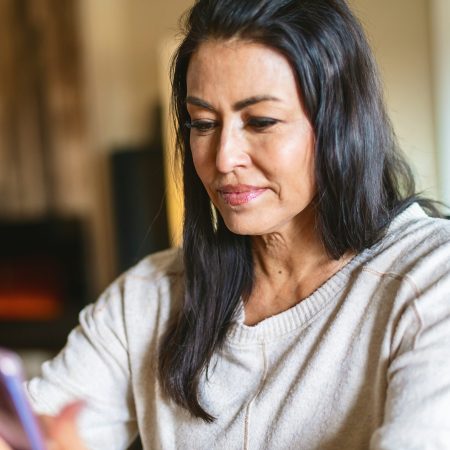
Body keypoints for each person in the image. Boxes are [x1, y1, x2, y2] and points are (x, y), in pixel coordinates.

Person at [3, 0, 450, 448]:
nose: (222, 158)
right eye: (203, 123)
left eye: (261, 122)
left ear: (341, 123)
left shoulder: (431, 281)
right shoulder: (147, 297)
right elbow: (36, 430)